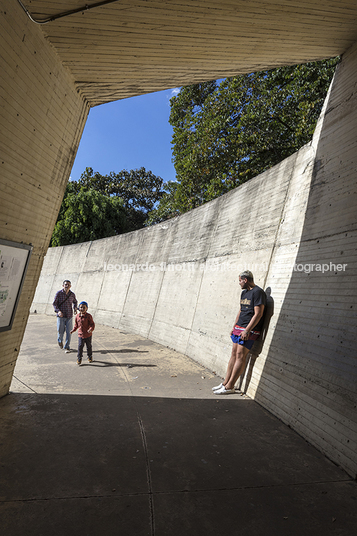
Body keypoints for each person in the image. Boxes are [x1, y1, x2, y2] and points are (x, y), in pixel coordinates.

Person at [213, 270, 266, 395]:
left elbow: (258, 314)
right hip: (239, 327)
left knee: (240, 356)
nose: (239, 283)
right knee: (233, 354)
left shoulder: (258, 292)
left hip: (249, 329)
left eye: (240, 281)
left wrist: (247, 330)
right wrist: (234, 326)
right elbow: (241, 311)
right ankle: (225, 382)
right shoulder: (244, 293)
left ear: (245, 280)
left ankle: (230, 386)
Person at [53, 280, 78, 353]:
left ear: (70, 286)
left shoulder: (72, 294)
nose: (67, 286)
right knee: (60, 331)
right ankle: (60, 340)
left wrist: (75, 308)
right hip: (61, 316)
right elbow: (54, 304)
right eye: (65, 284)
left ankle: (67, 347)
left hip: (69, 315)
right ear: (63, 285)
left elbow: (75, 302)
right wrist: (58, 311)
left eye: (68, 285)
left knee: (69, 332)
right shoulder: (59, 293)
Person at [71, 301, 95, 366]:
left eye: (84, 307)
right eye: (81, 307)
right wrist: (73, 330)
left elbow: (92, 324)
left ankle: (90, 356)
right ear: (79, 308)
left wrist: (90, 329)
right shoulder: (77, 316)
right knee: (80, 346)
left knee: (88, 346)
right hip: (80, 335)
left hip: (88, 335)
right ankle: (79, 358)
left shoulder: (89, 316)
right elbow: (76, 325)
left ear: (86, 308)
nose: (82, 309)